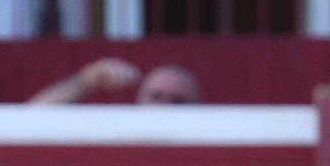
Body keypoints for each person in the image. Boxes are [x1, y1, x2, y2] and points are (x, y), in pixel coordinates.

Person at [30, 57, 202, 105]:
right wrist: (86, 81)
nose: (164, 107)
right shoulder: (119, 135)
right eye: (156, 97)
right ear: (140, 99)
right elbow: (34, 118)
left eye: (177, 102)